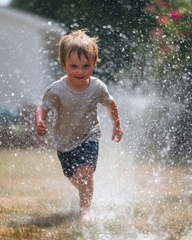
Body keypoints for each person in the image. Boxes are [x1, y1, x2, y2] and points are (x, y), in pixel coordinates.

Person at [35, 29, 123, 220]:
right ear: (63, 64)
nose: (80, 71)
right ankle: (86, 192)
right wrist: (40, 121)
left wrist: (116, 125)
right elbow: (42, 108)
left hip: (89, 136)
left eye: (86, 66)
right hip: (64, 142)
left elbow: (110, 104)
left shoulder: (97, 87)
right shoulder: (56, 89)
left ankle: (85, 210)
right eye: (74, 66)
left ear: (94, 64)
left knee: (86, 173)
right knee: (76, 179)